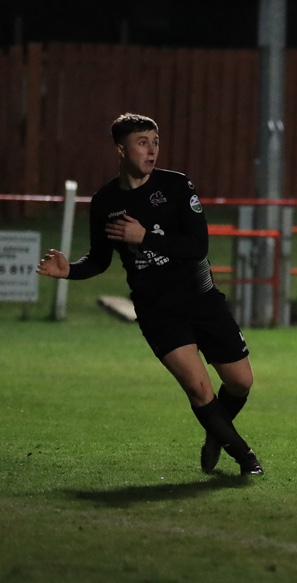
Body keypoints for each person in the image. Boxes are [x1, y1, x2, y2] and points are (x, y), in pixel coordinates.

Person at [37, 113, 262, 476]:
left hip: (200, 298)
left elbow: (198, 246)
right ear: (120, 149)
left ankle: (216, 433)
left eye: (155, 142)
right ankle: (245, 457)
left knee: (240, 382)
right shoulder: (106, 201)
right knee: (199, 387)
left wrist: (146, 237)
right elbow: (98, 260)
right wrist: (69, 271)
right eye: (142, 142)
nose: (152, 150)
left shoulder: (177, 186)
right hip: (158, 310)